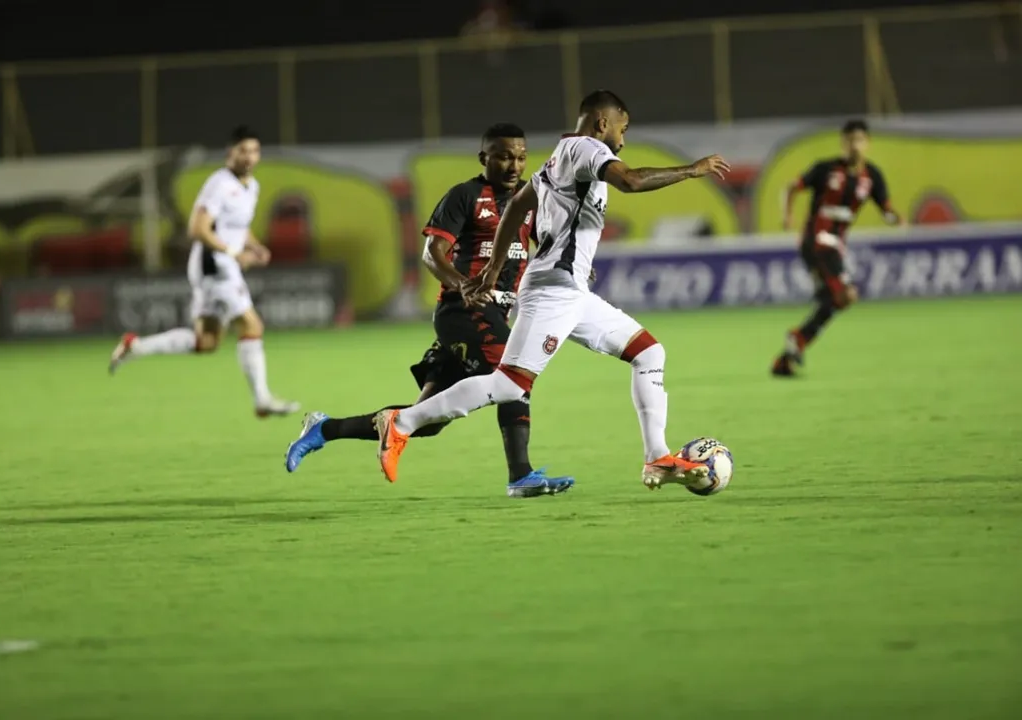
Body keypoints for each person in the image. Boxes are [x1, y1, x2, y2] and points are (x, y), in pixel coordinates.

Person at [371, 90, 730, 490]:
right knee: (509, 386)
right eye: (621, 129)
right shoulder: (587, 148)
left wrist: (492, 270)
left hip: (569, 289)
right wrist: (691, 170)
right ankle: (401, 421)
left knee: (648, 352)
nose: (623, 140)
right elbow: (629, 181)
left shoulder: (558, 158)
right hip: (553, 291)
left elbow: (515, 208)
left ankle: (656, 459)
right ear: (601, 124)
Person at [284, 123, 573, 498]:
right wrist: (463, 284)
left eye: (520, 157)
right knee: (513, 375)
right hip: (461, 311)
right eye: (503, 156)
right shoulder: (464, 196)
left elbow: (548, 246)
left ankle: (324, 429)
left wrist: (569, 263)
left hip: (495, 315)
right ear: (484, 157)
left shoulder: (529, 200)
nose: (513, 165)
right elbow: (431, 254)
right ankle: (520, 474)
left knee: (427, 420)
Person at [109, 125, 299, 418]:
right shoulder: (219, 184)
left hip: (222, 265)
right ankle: (262, 400)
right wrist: (233, 253)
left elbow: (238, 225)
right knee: (252, 326)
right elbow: (198, 228)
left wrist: (256, 246)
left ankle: (135, 347)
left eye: (254, 150)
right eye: (243, 151)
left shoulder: (252, 186)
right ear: (229, 153)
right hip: (214, 265)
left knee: (206, 342)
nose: (249, 157)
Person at [772, 119, 903, 377]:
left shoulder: (872, 176)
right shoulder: (826, 169)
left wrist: (895, 217)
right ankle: (798, 338)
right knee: (847, 295)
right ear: (843, 143)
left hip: (836, 245)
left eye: (860, 140)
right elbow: (792, 187)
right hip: (816, 242)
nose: (855, 146)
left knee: (833, 302)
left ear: (868, 143)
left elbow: (886, 208)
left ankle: (786, 358)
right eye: (850, 140)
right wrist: (787, 215)